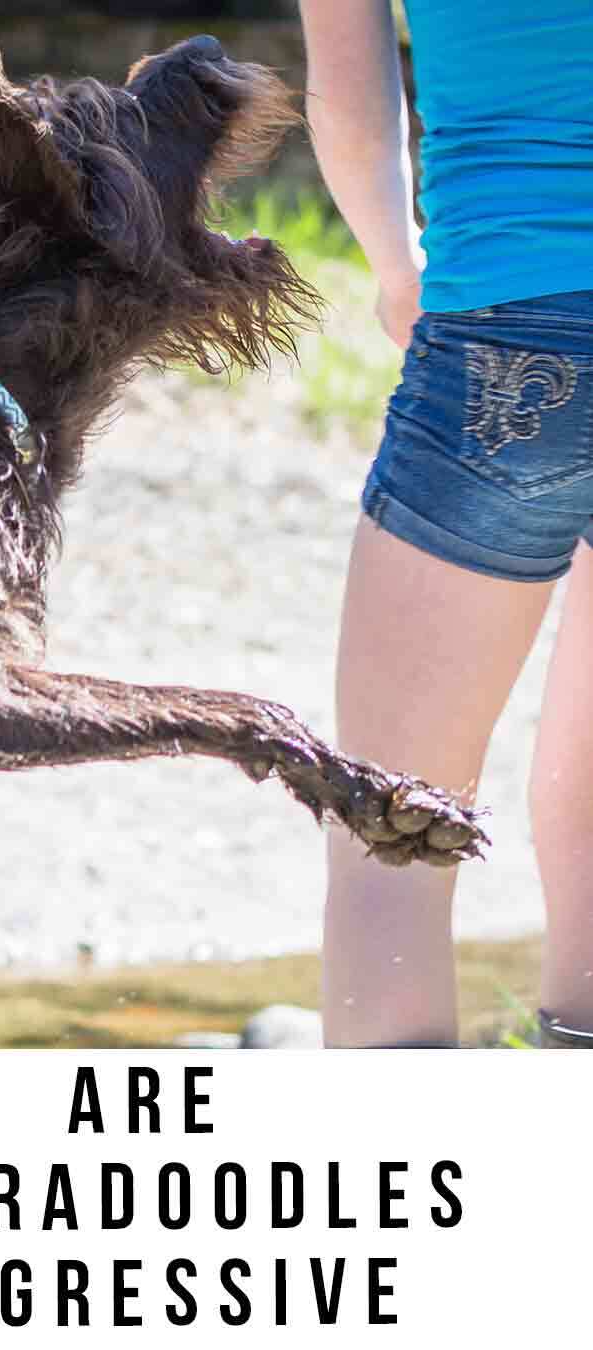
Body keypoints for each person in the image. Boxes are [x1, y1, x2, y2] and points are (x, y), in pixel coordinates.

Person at [298, 0, 593, 1047]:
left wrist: (397, 269)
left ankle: (410, 1189)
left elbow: (350, 106)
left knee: (395, 839)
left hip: (507, 337)